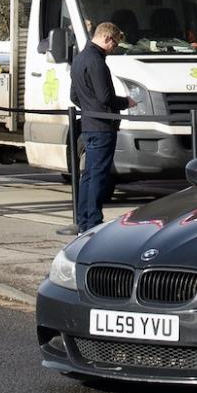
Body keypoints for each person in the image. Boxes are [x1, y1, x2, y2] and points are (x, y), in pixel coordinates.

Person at [66, 20, 131, 236]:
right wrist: (126, 102)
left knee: (88, 174)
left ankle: (82, 218)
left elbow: (74, 95)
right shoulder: (97, 62)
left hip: (87, 123)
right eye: (115, 44)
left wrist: (88, 108)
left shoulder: (79, 60)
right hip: (103, 125)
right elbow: (105, 96)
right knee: (98, 174)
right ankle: (94, 220)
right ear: (106, 38)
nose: (114, 49)